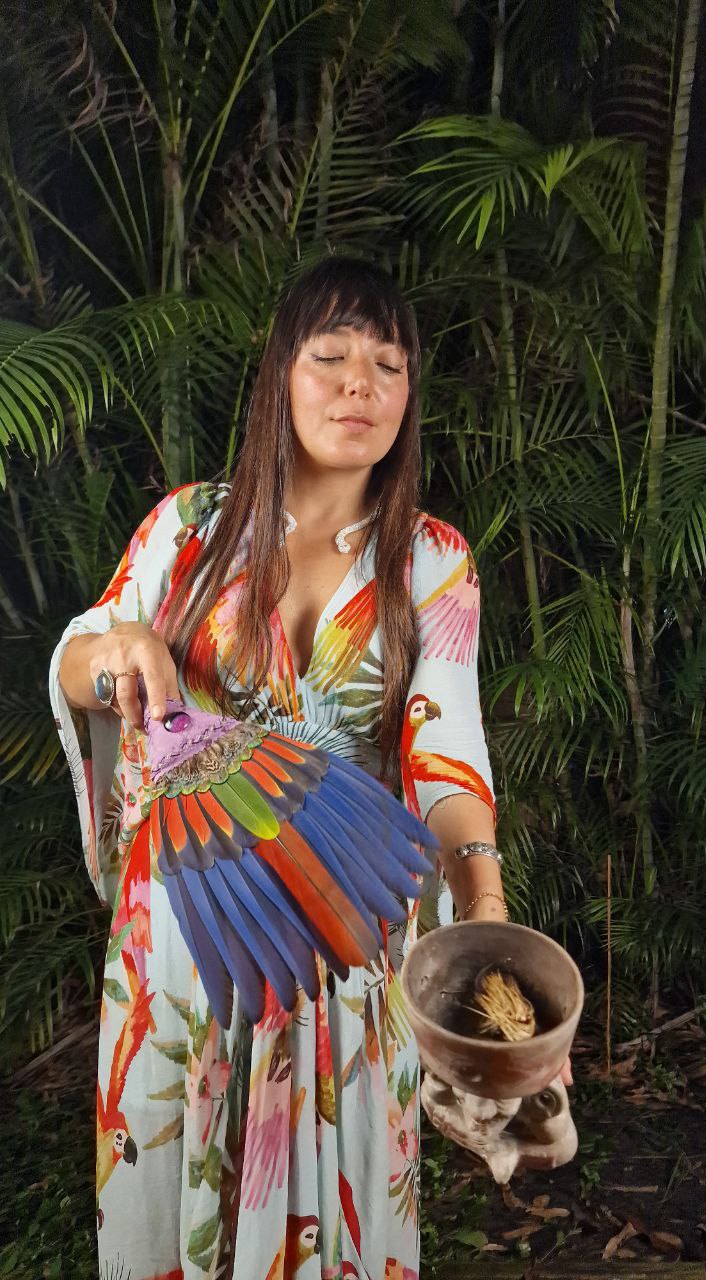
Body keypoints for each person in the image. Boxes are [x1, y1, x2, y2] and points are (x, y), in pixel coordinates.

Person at [50, 257, 505, 1280]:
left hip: (341, 950)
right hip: (186, 936)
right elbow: (78, 657)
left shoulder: (430, 561)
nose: (361, 384)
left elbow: (445, 751)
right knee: (170, 1218)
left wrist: (483, 914)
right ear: (279, 377)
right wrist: (117, 650)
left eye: (388, 365)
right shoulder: (188, 528)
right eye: (333, 355)